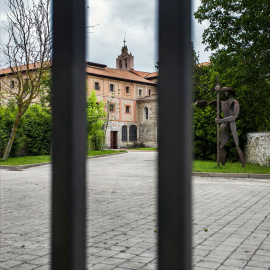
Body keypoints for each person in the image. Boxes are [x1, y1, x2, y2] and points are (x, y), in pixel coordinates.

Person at [215, 87, 245, 167]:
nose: (225, 93)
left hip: (232, 125)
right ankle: (222, 165)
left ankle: (243, 165)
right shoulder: (225, 102)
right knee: (221, 145)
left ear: (230, 92)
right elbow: (215, 102)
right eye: (224, 91)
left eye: (226, 91)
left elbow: (234, 116)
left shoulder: (235, 102)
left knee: (237, 144)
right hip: (226, 125)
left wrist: (220, 121)